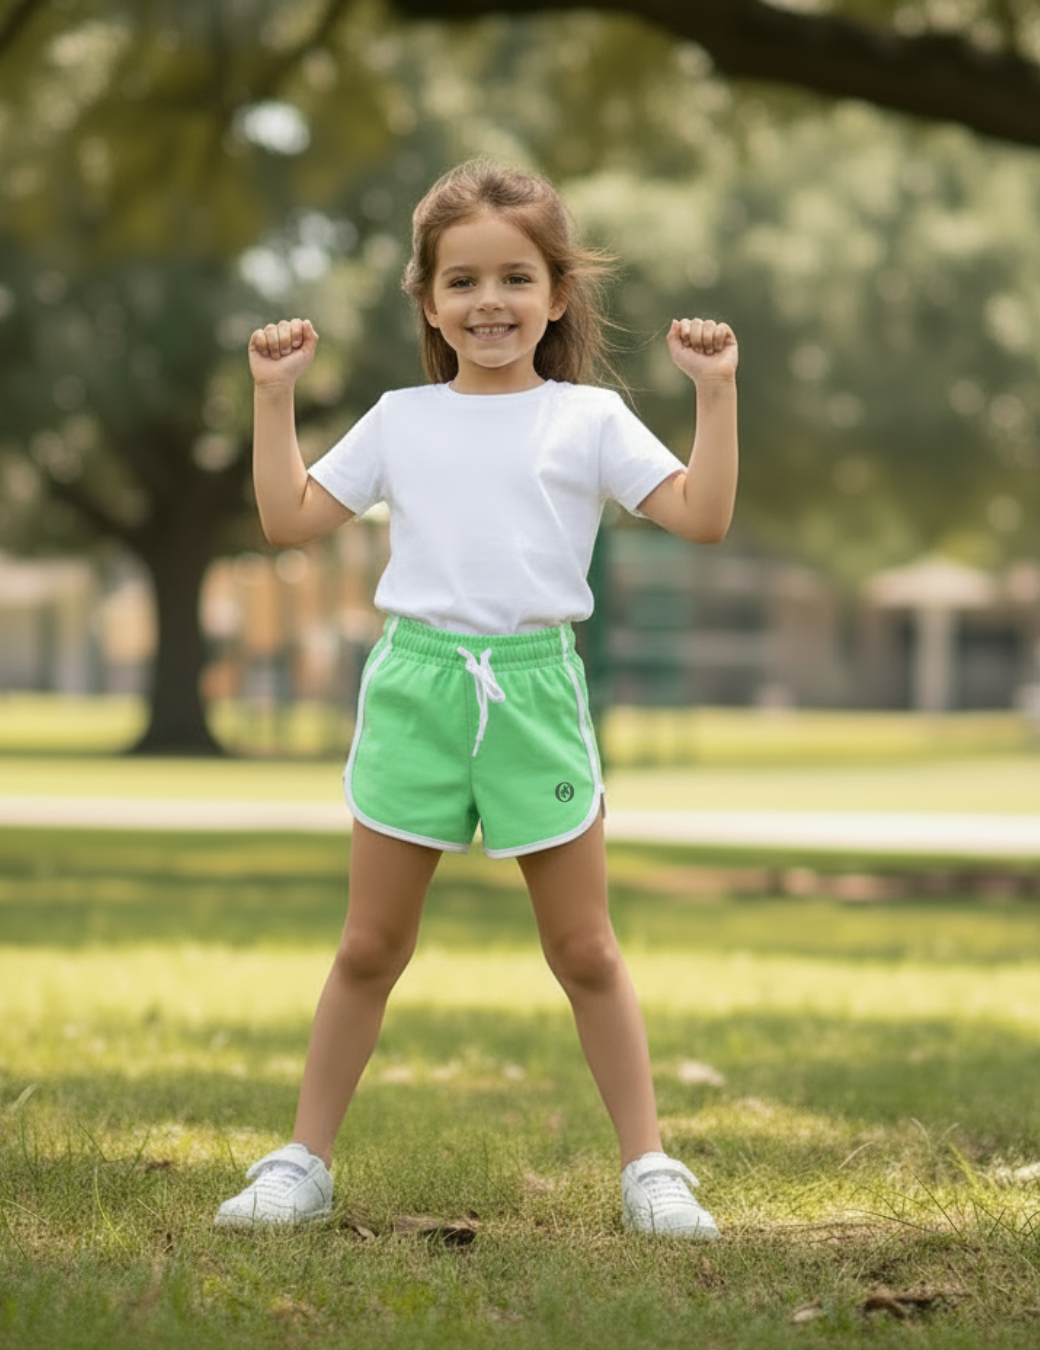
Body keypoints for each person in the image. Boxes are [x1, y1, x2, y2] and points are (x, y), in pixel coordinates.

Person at [216, 159, 738, 1238]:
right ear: (428, 300)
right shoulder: (401, 419)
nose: (488, 302)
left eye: (515, 278)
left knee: (584, 949)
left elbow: (700, 514)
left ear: (556, 295)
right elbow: (288, 518)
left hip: (537, 692)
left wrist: (716, 395)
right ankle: (301, 1163)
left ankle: (650, 1168)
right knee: (370, 946)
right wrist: (274, 401)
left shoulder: (588, 418)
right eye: (462, 282)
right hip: (417, 690)